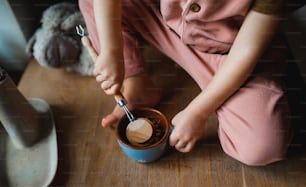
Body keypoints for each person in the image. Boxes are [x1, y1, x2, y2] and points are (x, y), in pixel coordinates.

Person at [78, 0, 297, 166]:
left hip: (233, 56)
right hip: (166, 27)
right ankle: (135, 83)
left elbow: (247, 50)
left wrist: (198, 111)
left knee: (262, 145)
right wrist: (112, 49)